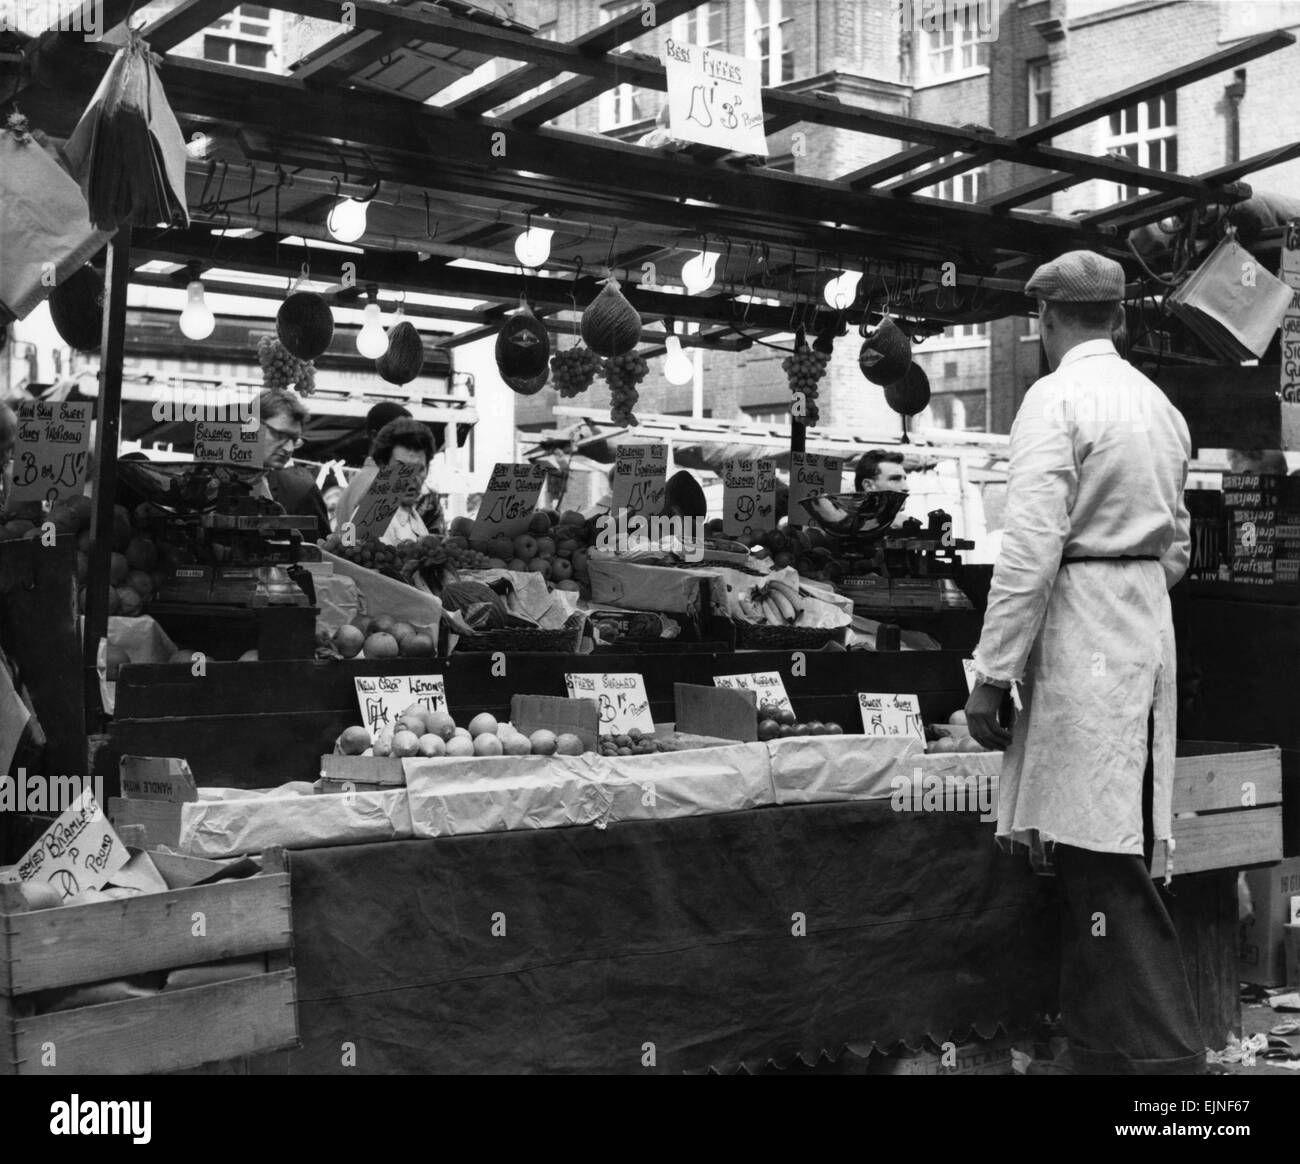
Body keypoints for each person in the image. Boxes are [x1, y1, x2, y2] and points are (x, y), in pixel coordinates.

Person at [964, 250, 1202, 1076]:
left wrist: (993, 674)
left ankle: (1170, 1063)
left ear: (1046, 321)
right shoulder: (1158, 404)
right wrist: (1130, 585)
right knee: (1100, 831)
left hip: (1082, 628)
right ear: (1122, 319)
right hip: (1140, 621)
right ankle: (1098, 1048)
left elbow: (1029, 548)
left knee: (1099, 847)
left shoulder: (1054, 398)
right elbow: (1177, 543)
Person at [337, 417, 437, 546]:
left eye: (419, 469)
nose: (411, 477)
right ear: (383, 466)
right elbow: (360, 561)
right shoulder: (376, 509)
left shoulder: (409, 513)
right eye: (401, 468)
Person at [254, 388, 331, 542]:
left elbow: (321, 551)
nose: (289, 448)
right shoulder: (211, 481)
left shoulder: (301, 490)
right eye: (279, 435)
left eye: (295, 440)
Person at [331, 401, 411, 532]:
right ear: (376, 437)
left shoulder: (360, 480)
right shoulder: (386, 483)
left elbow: (352, 543)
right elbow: (368, 549)